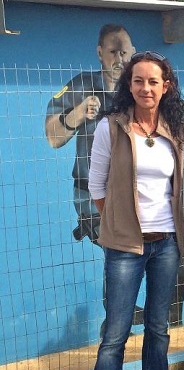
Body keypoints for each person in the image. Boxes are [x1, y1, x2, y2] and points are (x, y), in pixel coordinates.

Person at [86, 51, 184, 370]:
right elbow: (97, 187)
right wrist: (119, 224)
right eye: (138, 81)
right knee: (114, 335)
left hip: (166, 243)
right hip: (125, 248)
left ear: (166, 87)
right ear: (128, 85)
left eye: (153, 81)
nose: (146, 88)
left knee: (159, 329)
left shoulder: (174, 128)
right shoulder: (110, 128)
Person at [46, 24, 135, 244]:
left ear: (132, 53)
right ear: (99, 53)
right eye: (113, 52)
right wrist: (76, 114)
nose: (119, 59)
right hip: (91, 194)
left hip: (134, 191)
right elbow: (52, 137)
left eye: (124, 53)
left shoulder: (139, 89)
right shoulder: (82, 85)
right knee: (115, 249)